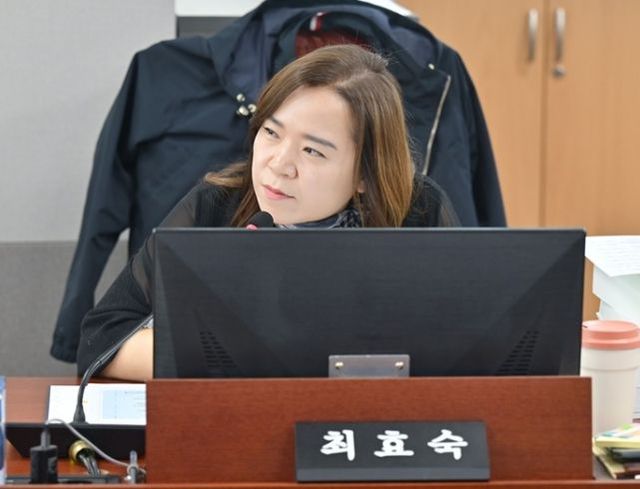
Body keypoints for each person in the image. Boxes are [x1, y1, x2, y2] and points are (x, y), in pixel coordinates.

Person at [76, 44, 460, 381]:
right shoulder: (216, 205)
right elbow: (103, 339)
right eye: (272, 133)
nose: (278, 164)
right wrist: (237, 354)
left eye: (312, 151)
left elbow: (465, 349)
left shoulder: (418, 211)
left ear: (365, 173)